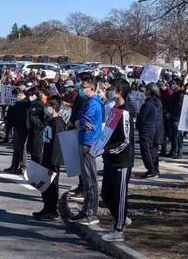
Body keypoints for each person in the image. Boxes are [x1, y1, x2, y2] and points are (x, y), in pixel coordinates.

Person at [101, 78, 135, 242]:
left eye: (112, 88)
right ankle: (122, 218)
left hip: (121, 160)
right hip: (109, 159)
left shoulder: (125, 112)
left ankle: (119, 228)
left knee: (119, 196)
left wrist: (108, 150)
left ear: (119, 91)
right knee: (106, 194)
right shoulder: (114, 109)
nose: (109, 90)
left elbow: (125, 140)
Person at [70, 72, 103, 226]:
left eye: (84, 87)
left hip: (89, 144)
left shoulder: (93, 103)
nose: (81, 89)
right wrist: (79, 122)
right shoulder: (86, 101)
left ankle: (91, 212)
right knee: (86, 178)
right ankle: (86, 209)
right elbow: (79, 120)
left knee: (90, 179)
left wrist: (79, 122)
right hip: (83, 140)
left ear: (92, 87)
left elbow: (84, 121)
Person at [32, 95, 66, 221]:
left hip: (52, 160)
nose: (45, 108)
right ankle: (46, 208)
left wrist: (53, 163)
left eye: (48, 106)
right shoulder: (49, 121)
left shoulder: (58, 123)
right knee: (44, 186)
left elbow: (58, 144)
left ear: (53, 108)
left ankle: (52, 210)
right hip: (45, 157)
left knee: (52, 186)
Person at [136, 82, 164, 179]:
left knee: (146, 150)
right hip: (156, 130)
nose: (145, 92)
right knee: (153, 151)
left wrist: (138, 124)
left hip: (148, 130)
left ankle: (151, 170)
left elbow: (143, 118)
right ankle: (155, 169)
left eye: (147, 90)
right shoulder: (158, 102)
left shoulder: (148, 104)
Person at [4, 88, 30, 174]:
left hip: (23, 128)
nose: (15, 97)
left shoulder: (27, 103)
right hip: (16, 127)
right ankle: (14, 165)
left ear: (20, 94)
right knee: (16, 147)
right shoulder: (17, 103)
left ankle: (23, 166)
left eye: (15, 96)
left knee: (22, 147)